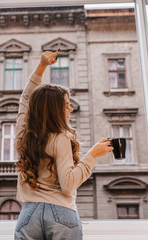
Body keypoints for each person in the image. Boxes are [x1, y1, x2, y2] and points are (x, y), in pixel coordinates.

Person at [14, 50, 114, 240]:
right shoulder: (61, 138)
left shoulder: (23, 135)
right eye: (66, 105)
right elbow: (68, 185)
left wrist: (41, 66)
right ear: (54, 110)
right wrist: (92, 156)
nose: (70, 109)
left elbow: (26, 99)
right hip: (62, 216)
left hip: (28, 216)